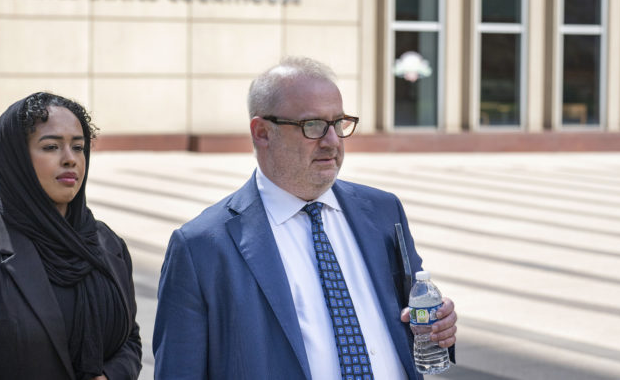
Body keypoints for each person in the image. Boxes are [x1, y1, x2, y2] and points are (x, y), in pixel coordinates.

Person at [153, 57, 457, 380]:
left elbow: (417, 318)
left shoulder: (383, 211)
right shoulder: (201, 248)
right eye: (312, 126)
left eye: (339, 123)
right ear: (262, 133)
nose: (332, 141)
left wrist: (437, 326)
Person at [0, 92, 142, 380]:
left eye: (79, 147)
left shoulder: (106, 244)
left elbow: (129, 339)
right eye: (52, 146)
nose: (70, 160)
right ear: (15, 160)